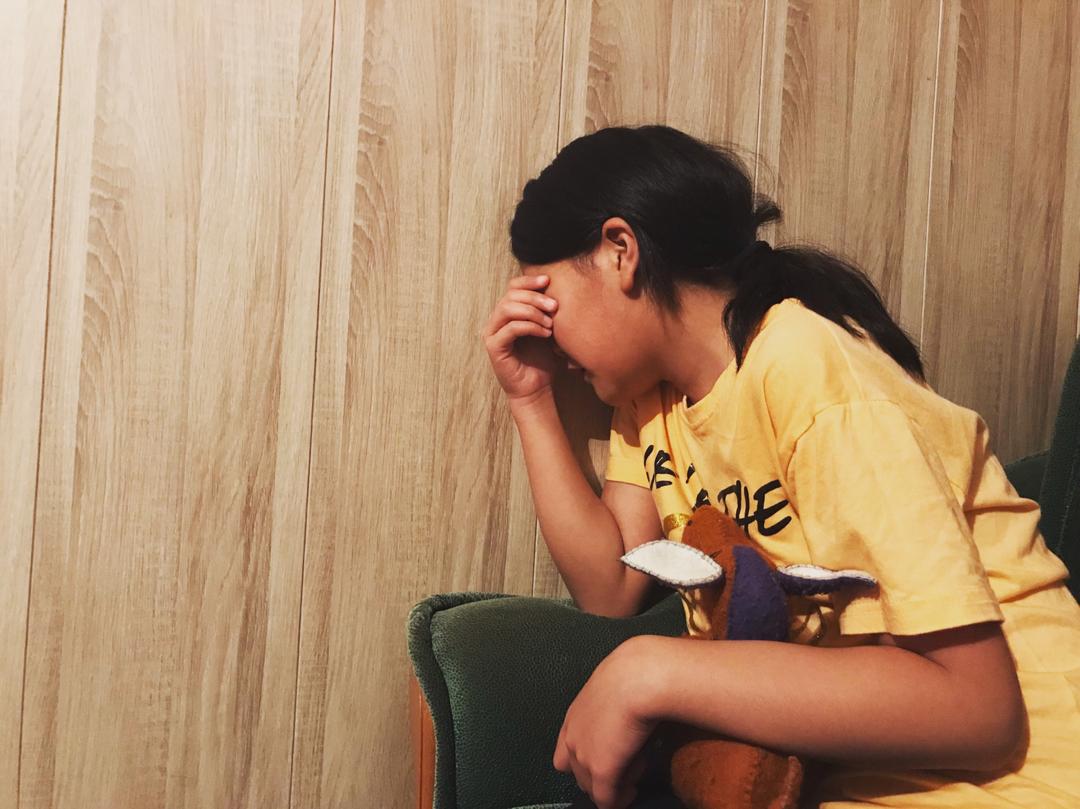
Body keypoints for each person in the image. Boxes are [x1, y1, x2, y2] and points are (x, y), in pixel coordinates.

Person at [480, 124, 1080, 809]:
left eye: (545, 296)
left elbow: (979, 711)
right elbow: (610, 587)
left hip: (1030, 775)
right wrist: (530, 401)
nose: (544, 332)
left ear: (621, 251)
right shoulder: (649, 404)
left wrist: (653, 670)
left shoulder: (804, 365)